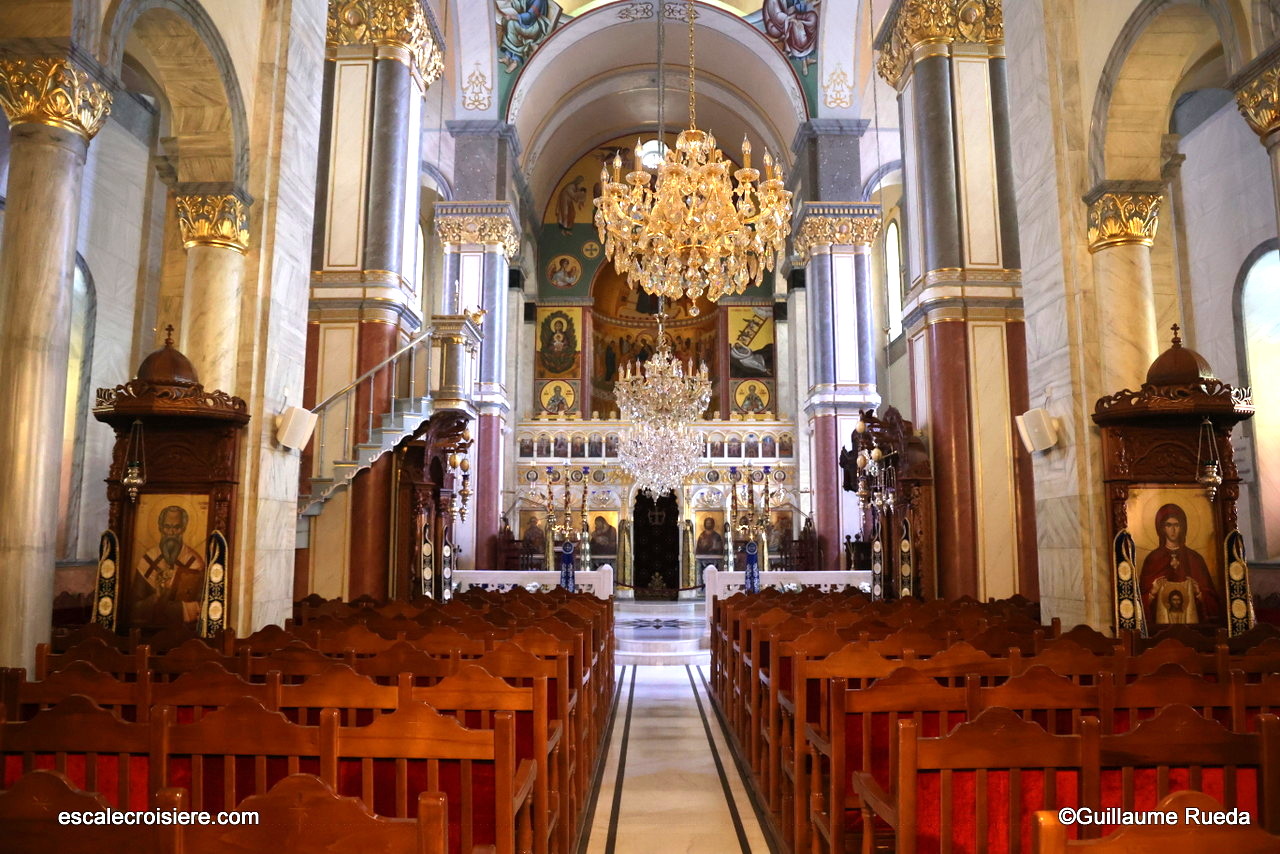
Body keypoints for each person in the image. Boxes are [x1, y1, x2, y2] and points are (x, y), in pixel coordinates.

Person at [1139, 502, 1219, 625]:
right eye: (1168, 525)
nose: (1173, 529)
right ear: (1162, 528)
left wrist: (1199, 593)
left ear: (1183, 527)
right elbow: (1137, 605)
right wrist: (1152, 593)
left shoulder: (1195, 559)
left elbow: (1214, 606)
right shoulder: (1153, 559)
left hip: (1195, 631)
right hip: (1158, 631)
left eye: (1177, 525)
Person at [131, 505, 206, 627]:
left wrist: (172, 608)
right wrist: (156, 597)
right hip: (148, 633)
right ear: (160, 528)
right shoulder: (147, 561)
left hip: (184, 634)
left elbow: (202, 606)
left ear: (183, 529)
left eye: (177, 527)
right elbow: (134, 609)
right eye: (167, 526)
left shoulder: (194, 563)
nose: (171, 532)